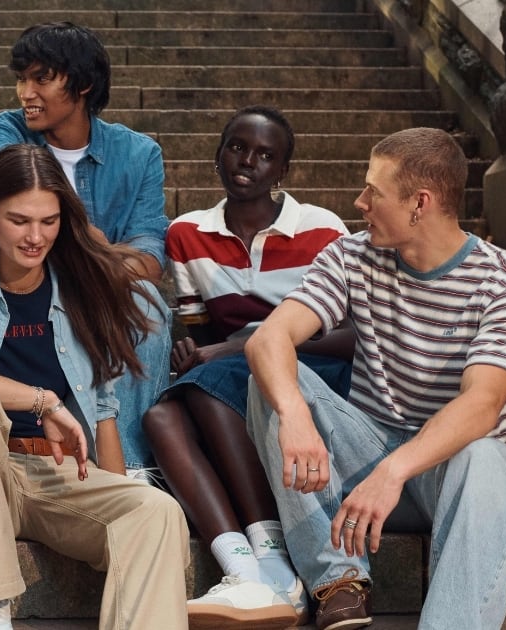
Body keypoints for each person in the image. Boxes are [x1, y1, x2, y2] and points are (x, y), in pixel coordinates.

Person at [243, 127, 506, 630]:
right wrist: (294, 414)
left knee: (488, 455)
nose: (359, 203)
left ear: (419, 203)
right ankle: (339, 582)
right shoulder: (351, 256)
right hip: (368, 452)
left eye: (373, 192)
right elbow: (267, 340)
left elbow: (482, 405)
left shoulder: (505, 283)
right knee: (270, 381)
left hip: (457, 477)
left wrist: (394, 472)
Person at [0, 144, 189, 630]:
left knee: (155, 510)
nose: (36, 237)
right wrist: (44, 401)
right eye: (20, 221)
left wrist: (115, 491)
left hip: (52, 472)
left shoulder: (78, 288)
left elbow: (104, 410)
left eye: (49, 221)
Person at [140, 106, 354, 628]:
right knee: (157, 418)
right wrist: (195, 351)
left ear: (283, 170)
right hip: (228, 374)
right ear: (218, 155)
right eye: (237, 147)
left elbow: (353, 337)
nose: (248, 162)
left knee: (207, 388)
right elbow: (201, 330)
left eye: (265, 155)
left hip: (313, 372)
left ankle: (278, 561)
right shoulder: (188, 234)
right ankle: (245, 569)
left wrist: (233, 350)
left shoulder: (322, 229)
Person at [0, 22, 172, 477]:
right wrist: (101, 245)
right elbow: (18, 214)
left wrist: (88, 248)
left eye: (41, 78)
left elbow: (149, 258)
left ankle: (132, 470)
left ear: (82, 84)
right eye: (22, 78)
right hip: (22, 285)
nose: (26, 91)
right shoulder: (3, 133)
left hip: (102, 292)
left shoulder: (139, 153)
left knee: (149, 305)